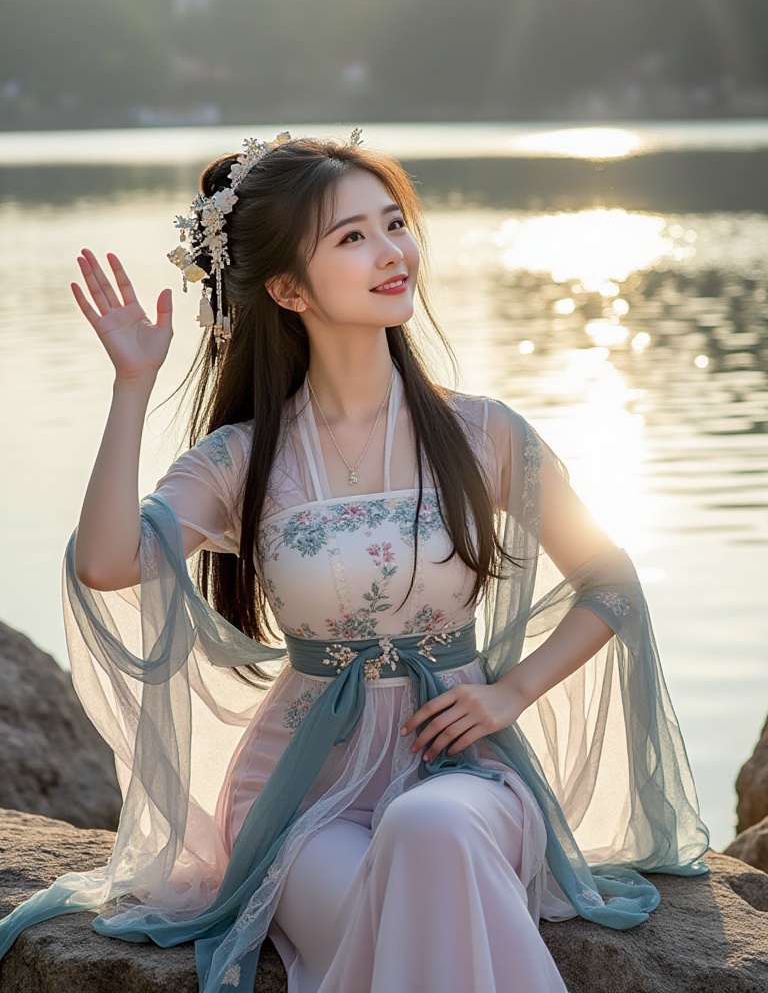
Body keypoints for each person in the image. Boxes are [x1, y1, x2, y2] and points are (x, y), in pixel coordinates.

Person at [0, 130, 709, 993]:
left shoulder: (483, 435)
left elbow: (612, 581)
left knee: (431, 832)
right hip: (301, 799)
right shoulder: (241, 460)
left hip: (464, 773)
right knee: (411, 918)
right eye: (352, 237)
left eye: (394, 223)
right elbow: (111, 565)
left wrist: (509, 690)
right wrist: (130, 387)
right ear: (289, 289)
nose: (392, 252)